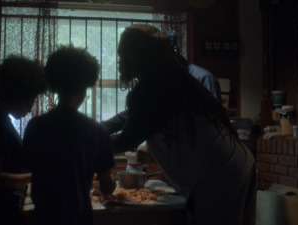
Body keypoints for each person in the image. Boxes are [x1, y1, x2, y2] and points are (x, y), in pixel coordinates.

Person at [105, 24, 256, 225]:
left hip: (217, 176)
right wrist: (97, 130)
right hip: (236, 165)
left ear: (133, 55)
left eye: (121, 54)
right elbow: (132, 116)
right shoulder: (169, 79)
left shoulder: (151, 88)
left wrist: (90, 143)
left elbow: (129, 138)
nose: (119, 61)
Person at [22, 45, 117, 225]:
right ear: (85, 87)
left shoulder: (36, 126)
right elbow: (107, 188)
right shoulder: (97, 131)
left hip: (42, 218)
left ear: (53, 83)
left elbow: (30, 169)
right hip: (79, 218)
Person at [0, 55, 46, 225]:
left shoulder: (2, 119)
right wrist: (34, 176)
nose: (29, 110)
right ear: (15, 95)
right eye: (29, 104)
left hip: (6, 205)